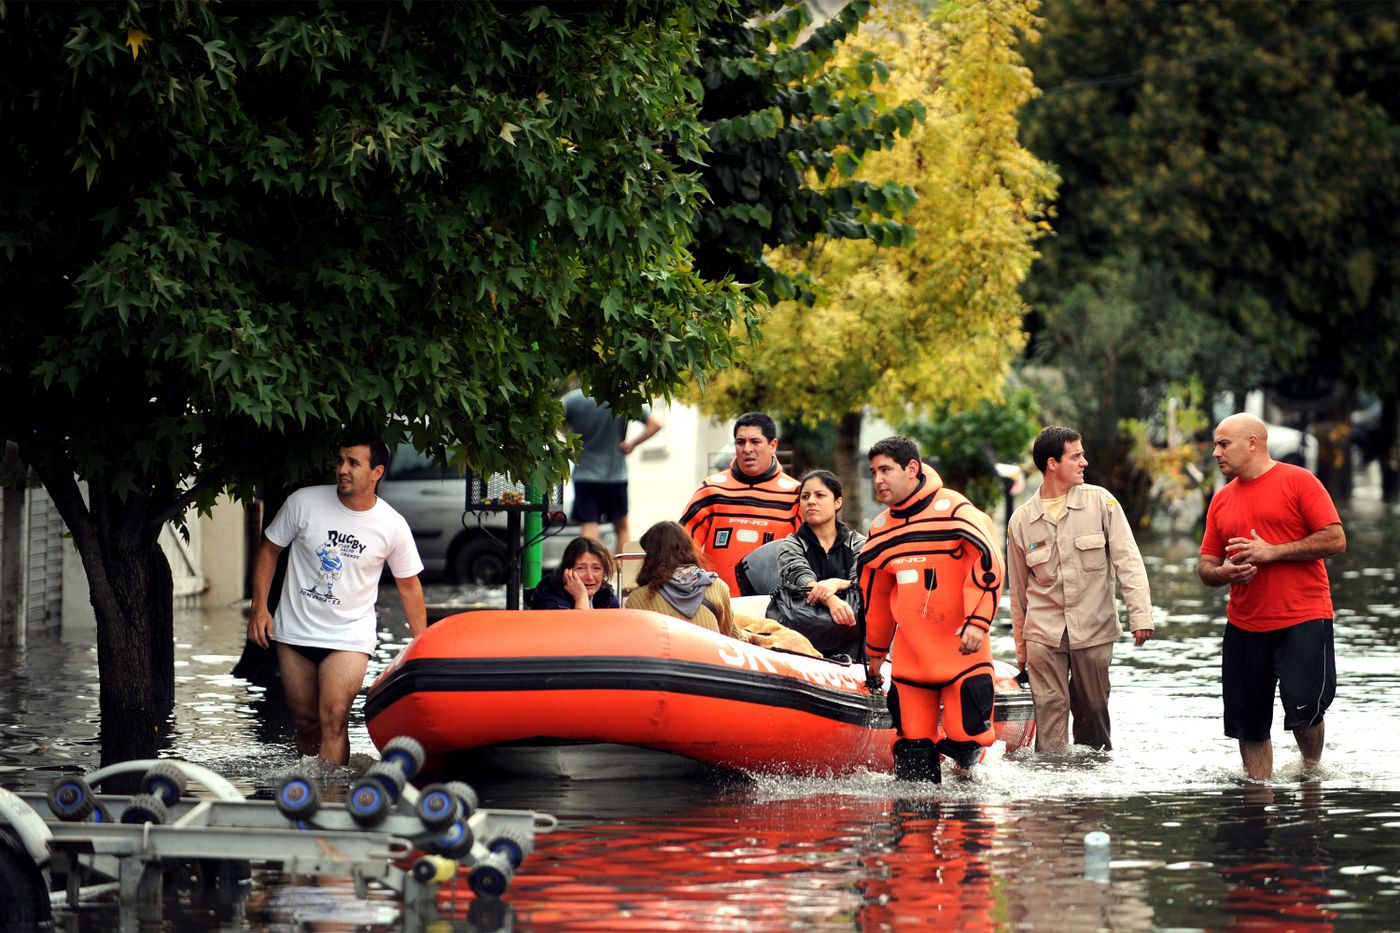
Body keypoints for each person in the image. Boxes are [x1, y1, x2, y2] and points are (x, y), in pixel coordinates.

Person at [248, 431, 427, 765]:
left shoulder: (391, 524)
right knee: (305, 722)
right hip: (295, 631)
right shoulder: (303, 503)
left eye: (353, 463)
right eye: (341, 460)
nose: (343, 469)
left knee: (333, 718)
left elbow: (408, 586)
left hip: (349, 635)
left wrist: (421, 644)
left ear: (376, 472)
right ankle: (310, 789)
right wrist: (260, 608)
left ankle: (333, 792)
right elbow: (269, 549)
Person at [1198, 413, 1345, 780]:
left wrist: (1273, 552)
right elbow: (1206, 566)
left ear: (1252, 443)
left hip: (1303, 617)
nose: (1215, 452)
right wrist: (1224, 574)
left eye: (1223, 444)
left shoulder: (1299, 481)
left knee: (1304, 710)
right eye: (1215, 444)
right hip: (1244, 624)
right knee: (1248, 723)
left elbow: (1335, 539)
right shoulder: (1221, 500)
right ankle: (1257, 792)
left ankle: (1310, 776)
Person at [859, 435, 1004, 783]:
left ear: (912, 468)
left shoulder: (955, 510)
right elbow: (876, 596)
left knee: (967, 738)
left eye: (886, 470)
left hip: (961, 649)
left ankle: (967, 784)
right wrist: (875, 652)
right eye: (873, 472)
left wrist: (978, 621)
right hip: (910, 657)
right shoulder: (880, 528)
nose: (878, 479)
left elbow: (987, 564)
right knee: (912, 751)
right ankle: (915, 814)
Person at [1006, 426, 1154, 753]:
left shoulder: (1102, 502)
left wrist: (1141, 616)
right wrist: (1021, 647)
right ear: (1052, 464)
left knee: (1093, 710)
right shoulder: (1021, 521)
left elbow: (1128, 561)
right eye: (1076, 457)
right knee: (1049, 710)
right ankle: (1052, 779)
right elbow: (1017, 592)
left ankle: (1093, 779)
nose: (1084, 462)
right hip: (1043, 634)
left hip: (1094, 629)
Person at [680, 411, 801, 596]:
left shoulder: (796, 495)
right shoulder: (710, 490)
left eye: (755, 441)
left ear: (773, 445)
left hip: (775, 607)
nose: (747, 449)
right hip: (717, 603)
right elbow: (682, 546)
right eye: (740, 442)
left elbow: (810, 554)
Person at [766, 469, 866, 659]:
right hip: (800, 646)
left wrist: (836, 583)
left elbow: (864, 580)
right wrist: (831, 600)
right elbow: (800, 578)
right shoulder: (790, 544)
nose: (811, 501)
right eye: (805, 496)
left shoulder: (859, 543)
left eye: (820, 495)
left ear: (838, 502)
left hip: (853, 647)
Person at [563, 388, 663, 549]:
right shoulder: (622, 398)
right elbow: (656, 424)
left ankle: (591, 564)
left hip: (585, 475)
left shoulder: (573, 400)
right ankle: (623, 566)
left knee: (589, 525)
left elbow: (548, 422)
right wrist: (632, 444)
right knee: (622, 527)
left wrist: (566, 445)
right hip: (616, 475)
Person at [626, 520, 737, 637]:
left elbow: (633, 641)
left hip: (663, 649)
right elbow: (731, 637)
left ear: (650, 558)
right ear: (689, 549)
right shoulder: (717, 586)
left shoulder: (636, 599)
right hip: (709, 649)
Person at [526, 536, 620, 610]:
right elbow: (580, 628)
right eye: (581, 568)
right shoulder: (552, 602)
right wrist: (581, 598)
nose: (590, 577)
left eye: (596, 568)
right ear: (567, 571)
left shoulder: (606, 596)